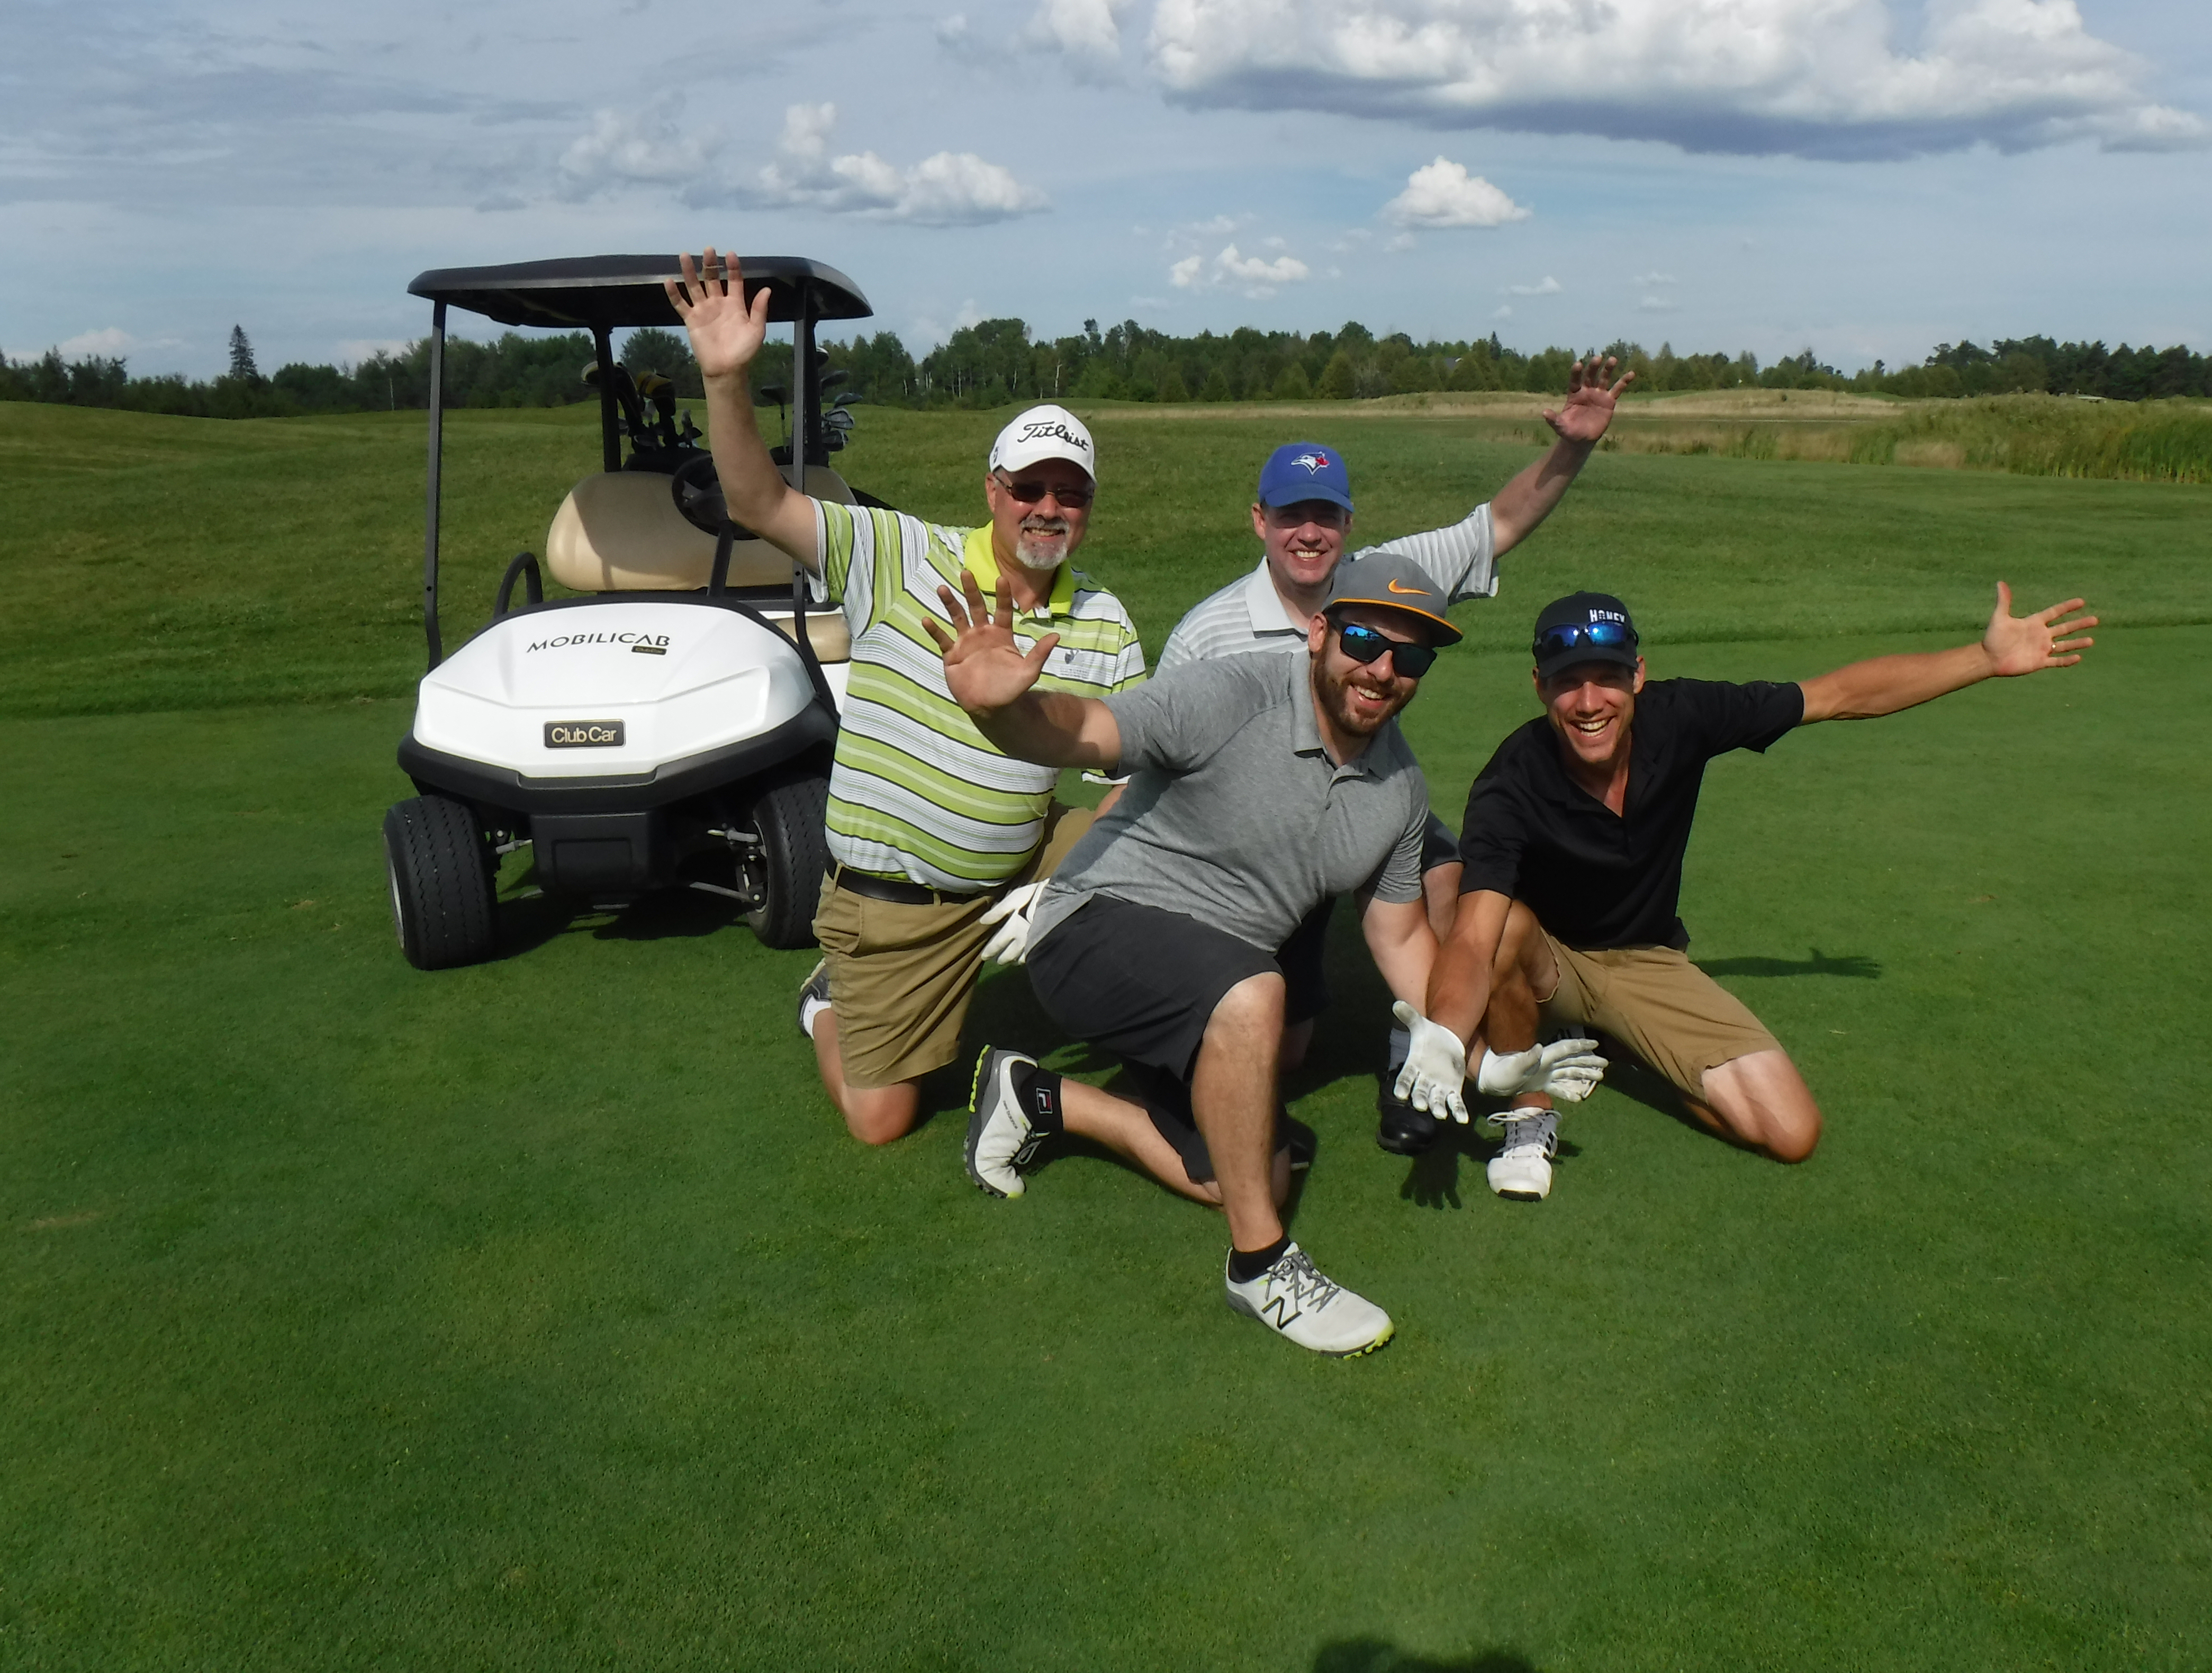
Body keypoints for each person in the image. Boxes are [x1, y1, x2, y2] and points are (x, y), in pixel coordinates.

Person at [926, 552, 1603, 1355]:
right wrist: (1002, 713)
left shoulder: (1400, 792)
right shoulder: (1231, 694)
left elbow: (1402, 938)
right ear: (1319, 631)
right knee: (1256, 994)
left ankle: (1040, 1098)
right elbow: (1081, 730)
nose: (1383, 670)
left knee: (1248, 1174)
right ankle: (1261, 1269)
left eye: (1411, 655)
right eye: (1363, 640)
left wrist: (1475, 1058)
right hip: (1095, 930)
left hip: (1209, 985)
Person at [1395, 582, 2100, 1200]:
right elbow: (1477, 934)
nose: (1588, 701)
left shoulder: (1686, 716)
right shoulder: (1510, 781)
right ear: (1540, 685)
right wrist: (1448, 1041)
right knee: (1508, 923)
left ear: (1638, 675)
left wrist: (1983, 659)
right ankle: (1528, 1114)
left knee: (1789, 1131)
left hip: (1646, 961)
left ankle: (1623, 1043)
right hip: (1545, 957)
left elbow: (1836, 697)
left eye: (1606, 676)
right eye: (1568, 680)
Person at [666, 249, 1144, 1145]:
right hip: (899, 898)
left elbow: (1149, 764)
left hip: (1022, 862)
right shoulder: (896, 553)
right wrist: (727, 379)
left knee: (1165, 852)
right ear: (992, 492)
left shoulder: (1107, 621)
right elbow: (758, 500)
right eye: (1030, 488)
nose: (1048, 508)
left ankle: (1150, 1032)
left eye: (1070, 494)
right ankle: (826, 1003)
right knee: (880, 1121)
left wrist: (1077, 874)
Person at [1155, 356, 1637, 1156]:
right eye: (1290, 515)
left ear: (1346, 524)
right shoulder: (1209, 632)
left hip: (1372, 813)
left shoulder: (1386, 580)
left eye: (1327, 516)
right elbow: (1156, 769)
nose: (1309, 532)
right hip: (1261, 850)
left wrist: (1573, 448)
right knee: (1290, 1047)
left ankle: (1427, 1060)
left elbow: (1500, 525)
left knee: (1447, 873)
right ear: (1260, 521)